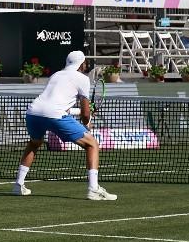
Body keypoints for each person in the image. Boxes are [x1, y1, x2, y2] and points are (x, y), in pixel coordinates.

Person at [14, 50, 118, 201]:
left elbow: (63, 107)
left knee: (34, 143)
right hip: (54, 114)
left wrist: (81, 114)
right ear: (82, 64)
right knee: (92, 145)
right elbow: (85, 114)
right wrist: (87, 122)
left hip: (33, 112)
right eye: (85, 62)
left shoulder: (56, 75)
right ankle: (93, 189)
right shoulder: (82, 78)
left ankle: (18, 185)